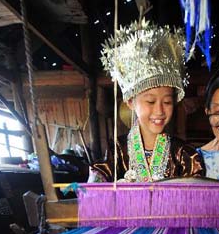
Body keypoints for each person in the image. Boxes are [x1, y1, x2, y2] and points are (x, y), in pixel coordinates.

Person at [88, 19, 205, 183]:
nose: (159, 111)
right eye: (150, 101)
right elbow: (98, 184)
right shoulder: (117, 151)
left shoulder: (185, 154)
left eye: (167, 102)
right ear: (130, 102)